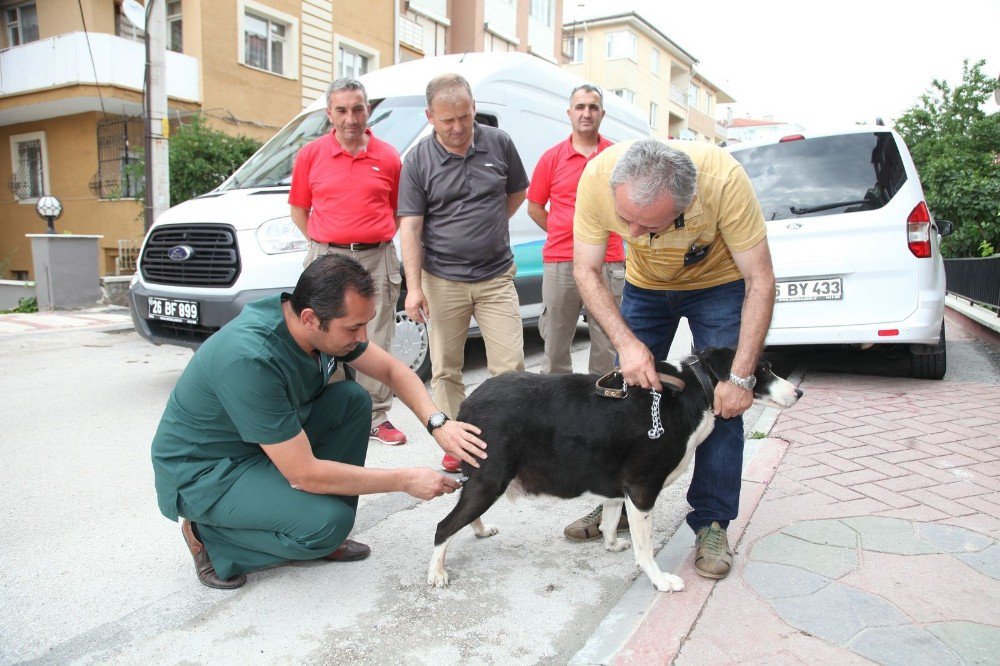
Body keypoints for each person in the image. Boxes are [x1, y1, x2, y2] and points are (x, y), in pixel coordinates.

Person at [151, 254, 487, 589]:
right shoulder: (251, 359)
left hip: (258, 446)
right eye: (354, 327)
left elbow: (391, 370)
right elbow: (304, 473)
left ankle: (310, 523)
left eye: (366, 323)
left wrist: (438, 423)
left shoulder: (310, 322)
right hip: (206, 470)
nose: (362, 336)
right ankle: (209, 537)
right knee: (327, 526)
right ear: (311, 319)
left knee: (351, 401)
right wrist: (404, 479)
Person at [567, 138, 776, 580]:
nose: (634, 235)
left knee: (721, 403)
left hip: (718, 284)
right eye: (626, 221)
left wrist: (739, 378)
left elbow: (760, 280)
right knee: (625, 398)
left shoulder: (723, 182)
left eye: (650, 225)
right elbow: (586, 269)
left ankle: (712, 521)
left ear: (688, 201)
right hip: (644, 287)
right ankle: (618, 504)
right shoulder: (597, 179)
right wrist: (625, 343)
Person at [398, 73, 529, 473]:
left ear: (474, 109)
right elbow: (411, 228)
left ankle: (511, 440)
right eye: (447, 120)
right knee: (446, 368)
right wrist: (414, 287)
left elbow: (516, 193)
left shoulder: (499, 142)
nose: (457, 128)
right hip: (443, 281)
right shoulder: (418, 160)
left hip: (495, 277)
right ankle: (458, 441)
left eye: (465, 117)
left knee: (510, 366)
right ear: (430, 116)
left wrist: (486, 230)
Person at [289, 77, 408, 446]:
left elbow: (397, 211)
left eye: (357, 108)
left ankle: (376, 416)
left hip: (376, 256)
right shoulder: (310, 155)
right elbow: (299, 209)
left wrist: (369, 235)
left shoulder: (388, 156)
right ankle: (336, 411)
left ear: (368, 110)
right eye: (341, 110)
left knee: (376, 334)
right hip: (327, 254)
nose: (350, 118)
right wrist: (325, 243)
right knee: (325, 332)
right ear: (329, 114)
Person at [526, 84, 624, 376]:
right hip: (561, 260)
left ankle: (602, 407)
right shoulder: (551, 158)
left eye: (593, 107)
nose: (586, 113)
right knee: (555, 344)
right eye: (580, 107)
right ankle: (556, 412)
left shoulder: (617, 156)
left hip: (608, 260)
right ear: (569, 113)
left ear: (602, 114)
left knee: (607, 343)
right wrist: (562, 231)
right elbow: (534, 207)